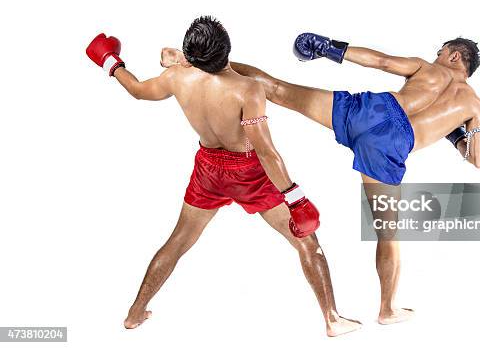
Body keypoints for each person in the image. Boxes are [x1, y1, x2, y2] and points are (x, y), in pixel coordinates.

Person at [162, 33, 480, 325]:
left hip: (372, 110)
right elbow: (477, 159)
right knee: (388, 234)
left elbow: (381, 61)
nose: (436, 56)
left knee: (276, 89)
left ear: (454, 55)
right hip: (393, 146)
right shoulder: (474, 105)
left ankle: (197, 60)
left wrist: (331, 49)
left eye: (440, 51)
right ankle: (387, 309)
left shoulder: (428, 69)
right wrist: (457, 133)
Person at [85, 17, 362, 336]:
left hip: (208, 170)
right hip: (249, 172)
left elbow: (137, 90)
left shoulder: (176, 78)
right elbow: (266, 152)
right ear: (227, 50)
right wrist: (295, 197)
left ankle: (134, 313)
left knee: (178, 241)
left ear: (191, 55)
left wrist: (111, 62)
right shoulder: (247, 89)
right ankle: (332, 319)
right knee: (306, 241)